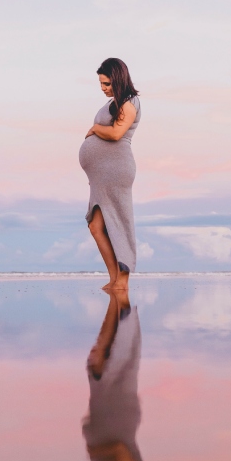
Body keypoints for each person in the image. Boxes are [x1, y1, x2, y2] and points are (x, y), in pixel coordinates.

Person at [82, 290, 146, 461]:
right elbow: (119, 450)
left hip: (114, 408)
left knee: (118, 349)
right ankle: (119, 295)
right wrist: (96, 454)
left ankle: (119, 298)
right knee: (113, 349)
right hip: (114, 407)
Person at [79, 58, 141, 291]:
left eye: (107, 83)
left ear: (118, 79)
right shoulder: (115, 102)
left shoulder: (129, 103)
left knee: (118, 222)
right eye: (101, 84)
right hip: (101, 175)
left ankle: (122, 281)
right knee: (96, 226)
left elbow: (116, 133)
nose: (103, 88)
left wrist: (95, 129)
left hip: (116, 171)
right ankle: (115, 278)